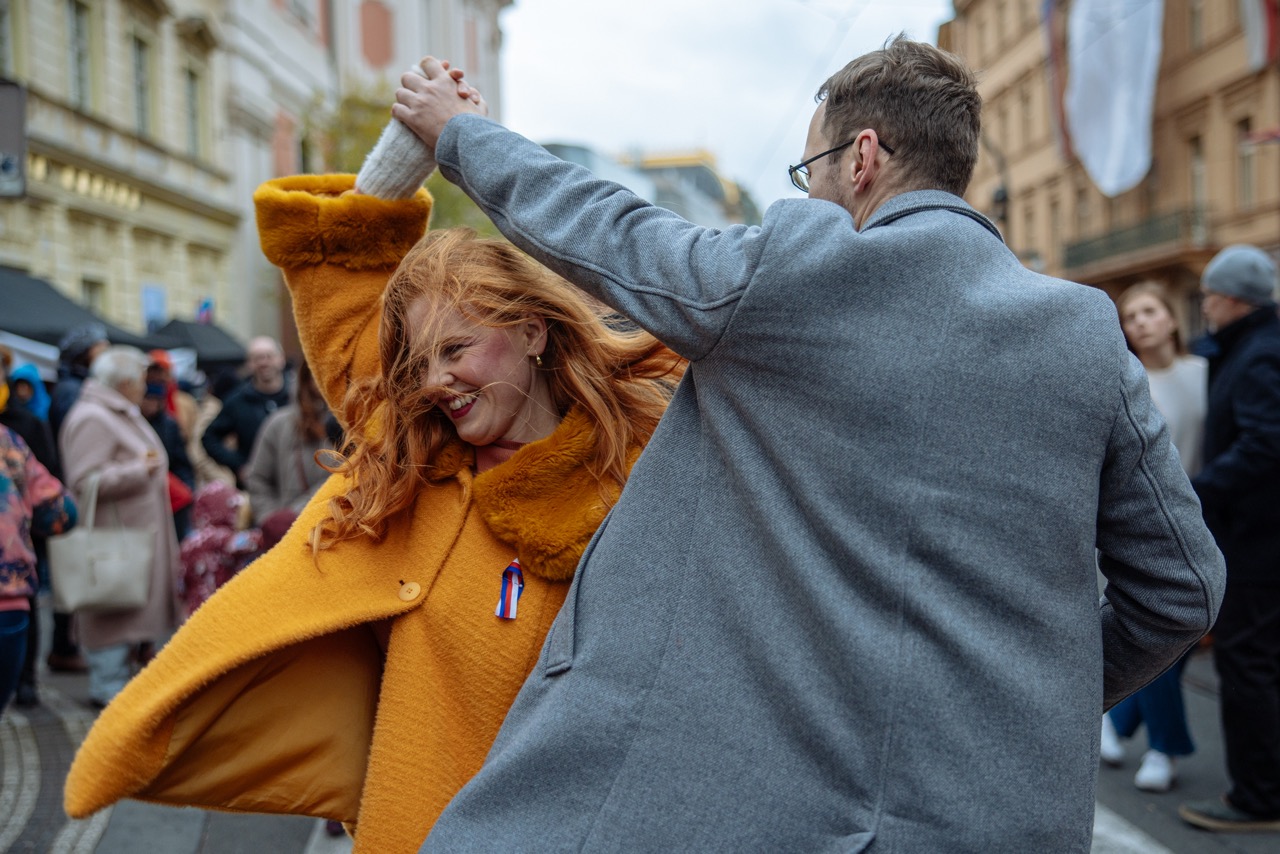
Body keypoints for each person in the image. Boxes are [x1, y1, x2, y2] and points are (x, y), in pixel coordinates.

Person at [390, 38, 1226, 851]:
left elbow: (605, 227)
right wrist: (1034, 701)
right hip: (1005, 816)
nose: (809, 192)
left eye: (809, 171)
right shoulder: (1085, 334)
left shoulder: (797, 270)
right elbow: (1184, 589)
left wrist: (459, 132)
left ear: (861, 158)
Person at [62, 147, 682, 851]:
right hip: (406, 827)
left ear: (531, 332)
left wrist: (467, 140)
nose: (436, 380)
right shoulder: (418, 459)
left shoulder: (639, 474)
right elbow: (338, 278)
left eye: (456, 349)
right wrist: (409, 147)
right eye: (418, 362)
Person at [1178, 245, 1280, 832]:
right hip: (1258, 539)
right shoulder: (1249, 348)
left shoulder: (1260, 354)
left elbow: (1267, 443)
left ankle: (1257, 797)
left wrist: (1201, 489)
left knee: (1247, 667)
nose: (1207, 306)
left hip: (1259, 545)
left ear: (1233, 298)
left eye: (1211, 296)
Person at [1100, 282, 1207, 792]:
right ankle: (1164, 749)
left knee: (1176, 639)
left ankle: (1115, 720)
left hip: (1216, 521)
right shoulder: (1127, 379)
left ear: (1171, 317)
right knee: (1163, 621)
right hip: (1155, 527)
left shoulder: (1207, 374)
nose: (1140, 322)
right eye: (1131, 316)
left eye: (1149, 311)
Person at [59, 346, 182, 708]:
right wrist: (137, 472)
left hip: (128, 539)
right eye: (142, 380)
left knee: (124, 616)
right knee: (110, 618)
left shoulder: (112, 411)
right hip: (112, 544)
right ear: (124, 383)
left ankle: (116, 689)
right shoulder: (94, 417)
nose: (147, 388)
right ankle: (106, 693)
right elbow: (83, 481)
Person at [0, 349, 71, 710]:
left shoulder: (21, 429)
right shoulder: (9, 441)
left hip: (13, 586)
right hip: (9, 585)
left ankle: (28, 681)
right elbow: (59, 509)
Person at [45, 322, 108, 675]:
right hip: (68, 488)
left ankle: (65, 644)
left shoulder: (73, 386)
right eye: (101, 347)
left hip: (64, 485)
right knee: (71, 567)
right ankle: (63, 646)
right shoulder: (73, 392)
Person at [244, 359, 333, 526]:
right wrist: (271, 520)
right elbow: (257, 478)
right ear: (306, 378)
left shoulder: (355, 424)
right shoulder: (279, 424)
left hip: (339, 531)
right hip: (290, 534)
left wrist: (296, 513)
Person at [200, 337, 290, 488]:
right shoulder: (237, 401)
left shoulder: (297, 397)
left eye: (269, 356)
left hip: (296, 484)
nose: (264, 362)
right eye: (257, 358)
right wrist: (238, 465)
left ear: (281, 359)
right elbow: (209, 437)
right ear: (249, 364)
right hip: (256, 488)